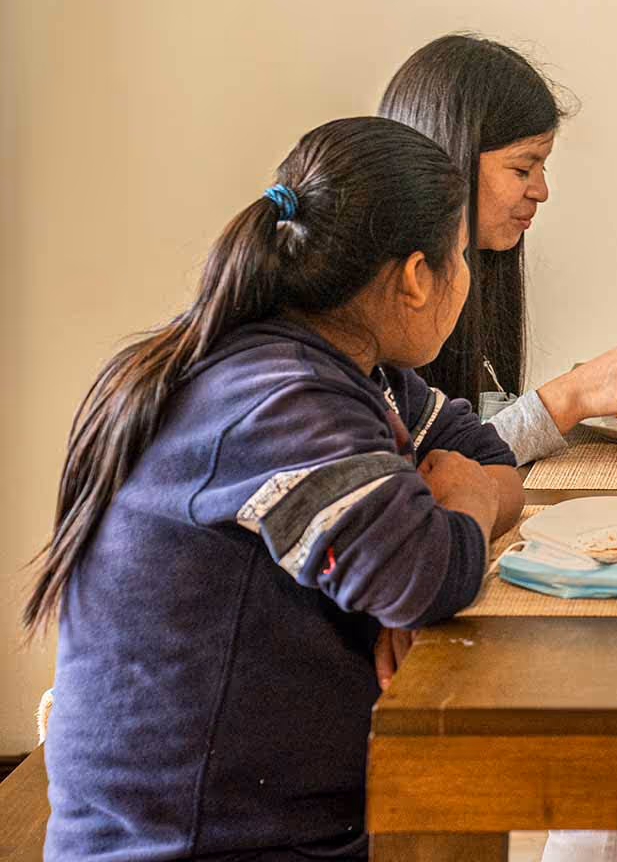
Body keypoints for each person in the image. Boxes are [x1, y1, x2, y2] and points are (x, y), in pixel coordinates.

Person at [31, 116, 524, 859]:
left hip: (262, 817)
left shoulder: (349, 370)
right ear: (417, 277)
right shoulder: (280, 399)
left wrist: (429, 527)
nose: (467, 279)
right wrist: (461, 508)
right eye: (460, 258)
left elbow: (486, 458)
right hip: (198, 843)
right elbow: (427, 573)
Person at [380, 34, 617, 464]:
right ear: (449, 158)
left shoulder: (475, 276)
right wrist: (570, 396)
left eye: (542, 166)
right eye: (522, 167)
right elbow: (434, 470)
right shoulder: (381, 310)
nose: (542, 190)